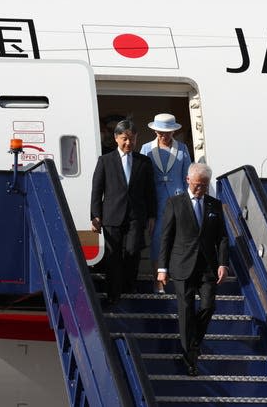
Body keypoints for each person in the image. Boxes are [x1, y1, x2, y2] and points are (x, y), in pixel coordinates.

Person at [157, 163, 229, 376]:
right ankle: (190, 358)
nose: (200, 189)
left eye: (204, 186)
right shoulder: (174, 203)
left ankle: (193, 341)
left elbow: (222, 237)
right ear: (188, 180)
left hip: (207, 266)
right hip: (181, 266)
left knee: (208, 306)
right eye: (198, 185)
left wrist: (223, 263)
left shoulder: (214, 205)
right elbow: (166, 237)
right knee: (186, 310)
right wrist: (162, 268)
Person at [91, 119, 156, 304]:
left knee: (132, 251)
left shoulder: (144, 162)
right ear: (116, 138)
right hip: (112, 215)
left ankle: (129, 287)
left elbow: (149, 191)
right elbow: (97, 189)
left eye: (132, 139)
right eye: (125, 139)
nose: (129, 143)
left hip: (136, 216)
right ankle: (113, 294)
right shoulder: (105, 160)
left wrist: (152, 215)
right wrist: (95, 215)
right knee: (113, 256)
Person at [140, 113, 191, 294]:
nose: (164, 136)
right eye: (161, 132)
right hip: (156, 203)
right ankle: (158, 282)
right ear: (154, 130)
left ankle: (177, 280)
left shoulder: (182, 149)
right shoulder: (146, 149)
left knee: (178, 241)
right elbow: (142, 179)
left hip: (178, 201)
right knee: (157, 241)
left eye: (168, 132)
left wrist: (189, 203)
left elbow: (188, 178)